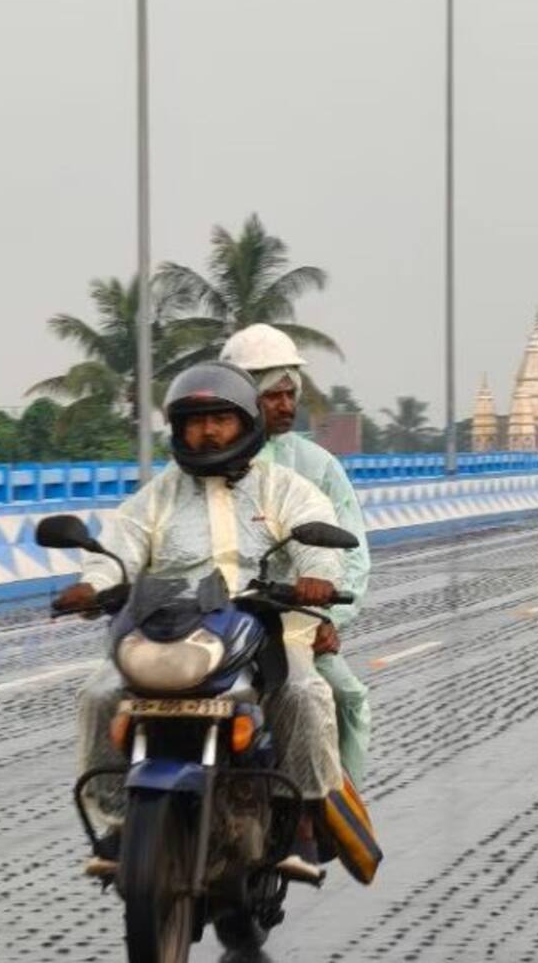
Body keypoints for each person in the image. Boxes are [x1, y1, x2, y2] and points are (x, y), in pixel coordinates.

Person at [52, 360, 346, 879]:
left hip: (261, 631)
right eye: (194, 421)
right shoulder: (155, 498)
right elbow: (116, 553)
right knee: (99, 694)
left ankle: (301, 815)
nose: (207, 431)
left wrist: (316, 578)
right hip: (169, 632)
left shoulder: (285, 489)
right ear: (179, 429)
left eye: (219, 419)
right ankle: (121, 823)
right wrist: (92, 587)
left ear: (245, 423)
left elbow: (317, 541)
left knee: (303, 691)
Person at [218, 324, 374, 788]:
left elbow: (352, 551)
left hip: (289, 620)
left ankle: (326, 808)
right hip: (209, 619)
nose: (286, 405)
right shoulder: (197, 461)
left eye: (290, 394)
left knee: (340, 696)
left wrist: (327, 618)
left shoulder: (316, 466)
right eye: (273, 395)